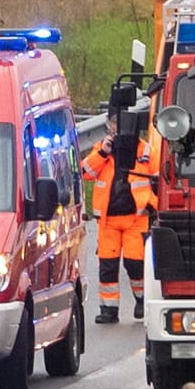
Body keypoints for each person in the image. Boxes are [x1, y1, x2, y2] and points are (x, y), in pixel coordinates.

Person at [80, 106, 159, 323]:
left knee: (136, 264)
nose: (114, 130)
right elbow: (84, 173)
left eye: (116, 126)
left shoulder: (145, 152)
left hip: (136, 219)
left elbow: (160, 183)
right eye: (111, 126)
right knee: (108, 266)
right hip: (108, 221)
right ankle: (109, 310)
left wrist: (151, 206)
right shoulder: (101, 150)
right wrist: (103, 153)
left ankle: (142, 301)